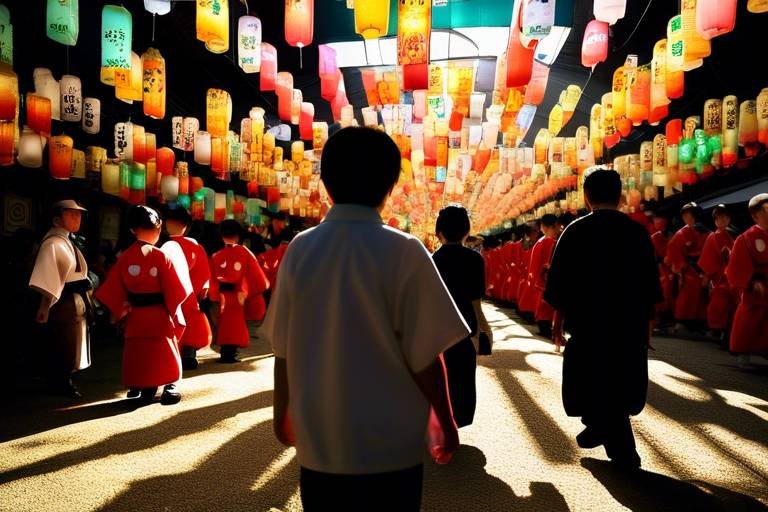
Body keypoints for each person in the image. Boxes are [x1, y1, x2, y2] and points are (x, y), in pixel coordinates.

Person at [261, 127, 469, 511]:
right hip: (392, 438)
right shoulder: (406, 250)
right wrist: (446, 418)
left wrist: (282, 412)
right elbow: (426, 355)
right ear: (390, 186)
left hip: (321, 435)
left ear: (325, 183)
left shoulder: (300, 250)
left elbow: (283, 347)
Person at [544, 168, 662, 470]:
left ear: (586, 196)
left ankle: (606, 433)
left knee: (592, 381)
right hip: (629, 322)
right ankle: (608, 432)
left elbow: (560, 283)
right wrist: (648, 323)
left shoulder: (575, 231)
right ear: (620, 196)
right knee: (620, 382)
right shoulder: (636, 232)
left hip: (588, 323)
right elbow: (650, 282)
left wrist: (557, 322)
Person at [95, 205, 189, 405]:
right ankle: (169, 384)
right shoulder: (161, 257)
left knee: (138, 351)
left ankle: (139, 385)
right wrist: (173, 311)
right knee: (163, 349)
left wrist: (121, 310)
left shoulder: (124, 258)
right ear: (158, 229)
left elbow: (114, 287)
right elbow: (175, 291)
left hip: (136, 314)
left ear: (132, 230)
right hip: (159, 313)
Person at [432, 205, 493, 428]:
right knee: (462, 377)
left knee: (440, 377)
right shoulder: (474, 260)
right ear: (466, 232)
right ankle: (458, 420)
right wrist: (483, 330)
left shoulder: (431, 260)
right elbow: (475, 301)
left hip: (437, 327)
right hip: (466, 324)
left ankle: (440, 421)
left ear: (438, 232)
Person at [28, 200, 92, 398]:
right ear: (57, 219)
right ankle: (60, 381)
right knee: (63, 341)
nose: (77, 217)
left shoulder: (65, 241)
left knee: (71, 340)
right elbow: (49, 276)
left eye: (79, 214)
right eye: (71, 214)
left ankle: (63, 378)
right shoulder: (53, 243)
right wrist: (45, 305)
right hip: (62, 300)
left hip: (74, 298)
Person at [209, 220, 269, 363]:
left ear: (221, 235)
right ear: (238, 236)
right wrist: (247, 291)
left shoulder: (216, 255)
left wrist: (215, 294)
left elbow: (211, 278)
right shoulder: (244, 252)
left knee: (224, 323)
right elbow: (254, 274)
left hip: (223, 295)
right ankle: (232, 353)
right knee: (236, 324)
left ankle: (225, 351)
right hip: (238, 294)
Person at [163, 207, 212, 370]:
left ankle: (173, 354)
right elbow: (203, 271)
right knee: (190, 322)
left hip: (168, 292)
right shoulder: (195, 245)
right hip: (189, 292)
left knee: (170, 323)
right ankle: (189, 353)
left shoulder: (162, 245)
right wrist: (199, 289)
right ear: (186, 225)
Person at [726, 193, 768, 368]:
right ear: (755, 215)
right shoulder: (746, 238)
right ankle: (742, 353)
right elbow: (738, 263)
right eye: (765, 210)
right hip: (755, 286)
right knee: (749, 318)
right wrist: (753, 280)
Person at [666, 203, 709, 331]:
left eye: (689, 214)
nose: (687, 217)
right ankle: (682, 320)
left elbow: (711, 250)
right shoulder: (681, 233)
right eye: (684, 215)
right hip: (688, 269)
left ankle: (700, 322)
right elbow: (672, 252)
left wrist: (706, 270)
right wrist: (682, 266)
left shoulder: (705, 232)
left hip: (703, 268)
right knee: (686, 295)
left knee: (703, 296)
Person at [698, 205, 736, 343]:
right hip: (718, 277)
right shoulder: (713, 237)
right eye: (719, 218)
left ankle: (725, 332)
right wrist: (706, 280)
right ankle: (719, 331)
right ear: (715, 221)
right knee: (719, 304)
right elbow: (708, 260)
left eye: (724, 217)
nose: (722, 220)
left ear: (728, 219)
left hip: (731, 275)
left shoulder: (732, 235)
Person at [527, 214, 560, 338]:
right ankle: (546, 328)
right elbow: (548, 264)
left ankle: (544, 327)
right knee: (546, 306)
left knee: (541, 306)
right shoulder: (549, 242)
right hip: (545, 280)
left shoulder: (540, 242)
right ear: (553, 226)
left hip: (538, 280)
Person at [650, 212, 675, 328]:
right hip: (660, 268)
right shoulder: (654, 237)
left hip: (671, 268)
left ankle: (666, 318)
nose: (657, 221)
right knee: (663, 291)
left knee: (668, 292)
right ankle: (660, 318)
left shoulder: (672, 236)